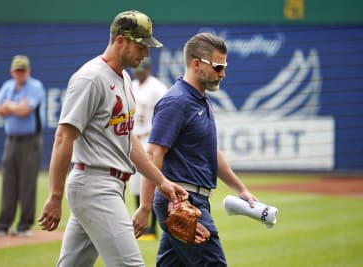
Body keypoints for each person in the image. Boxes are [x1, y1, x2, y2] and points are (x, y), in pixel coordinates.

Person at [37, 10, 188, 267]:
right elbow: (63, 137)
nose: (146, 54)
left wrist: (161, 181)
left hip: (109, 185)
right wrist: (54, 195)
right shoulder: (90, 78)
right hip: (95, 185)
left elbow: (128, 140)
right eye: (141, 45)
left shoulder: (124, 78)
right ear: (121, 41)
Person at [132, 33, 258, 266]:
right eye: (218, 67)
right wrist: (145, 207)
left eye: (224, 67)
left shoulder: (201, 100)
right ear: (196, 63)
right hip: (182, 202)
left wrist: (241, 189)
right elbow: (153, 154)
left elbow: (211, 152)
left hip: (193, 199)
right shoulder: (176, 101)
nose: (223, 73)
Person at [0, 55, 45, 237]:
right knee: (8, 182)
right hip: (11, 140)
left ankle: (24, 226)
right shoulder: (7, 86)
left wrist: (8, 106)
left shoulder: (35, 86)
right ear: (12, 72)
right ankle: (3, 224)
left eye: (23, 70)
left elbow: (26, 111)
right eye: (17, 70)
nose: (20, 73)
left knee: (27, 182)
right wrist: (13, 106)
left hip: (30, 140)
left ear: (28, 71)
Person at [130, 57, 168, 240]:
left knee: (151, 181)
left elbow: (167, 111)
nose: (138, 71)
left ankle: (153, 227)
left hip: (150, 138)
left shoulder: (158, 88)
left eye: (141, 68)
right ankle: (142, 226)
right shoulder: (132, 85)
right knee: (136, 184)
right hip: (134, 139)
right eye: (136, 67)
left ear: (149, 69)